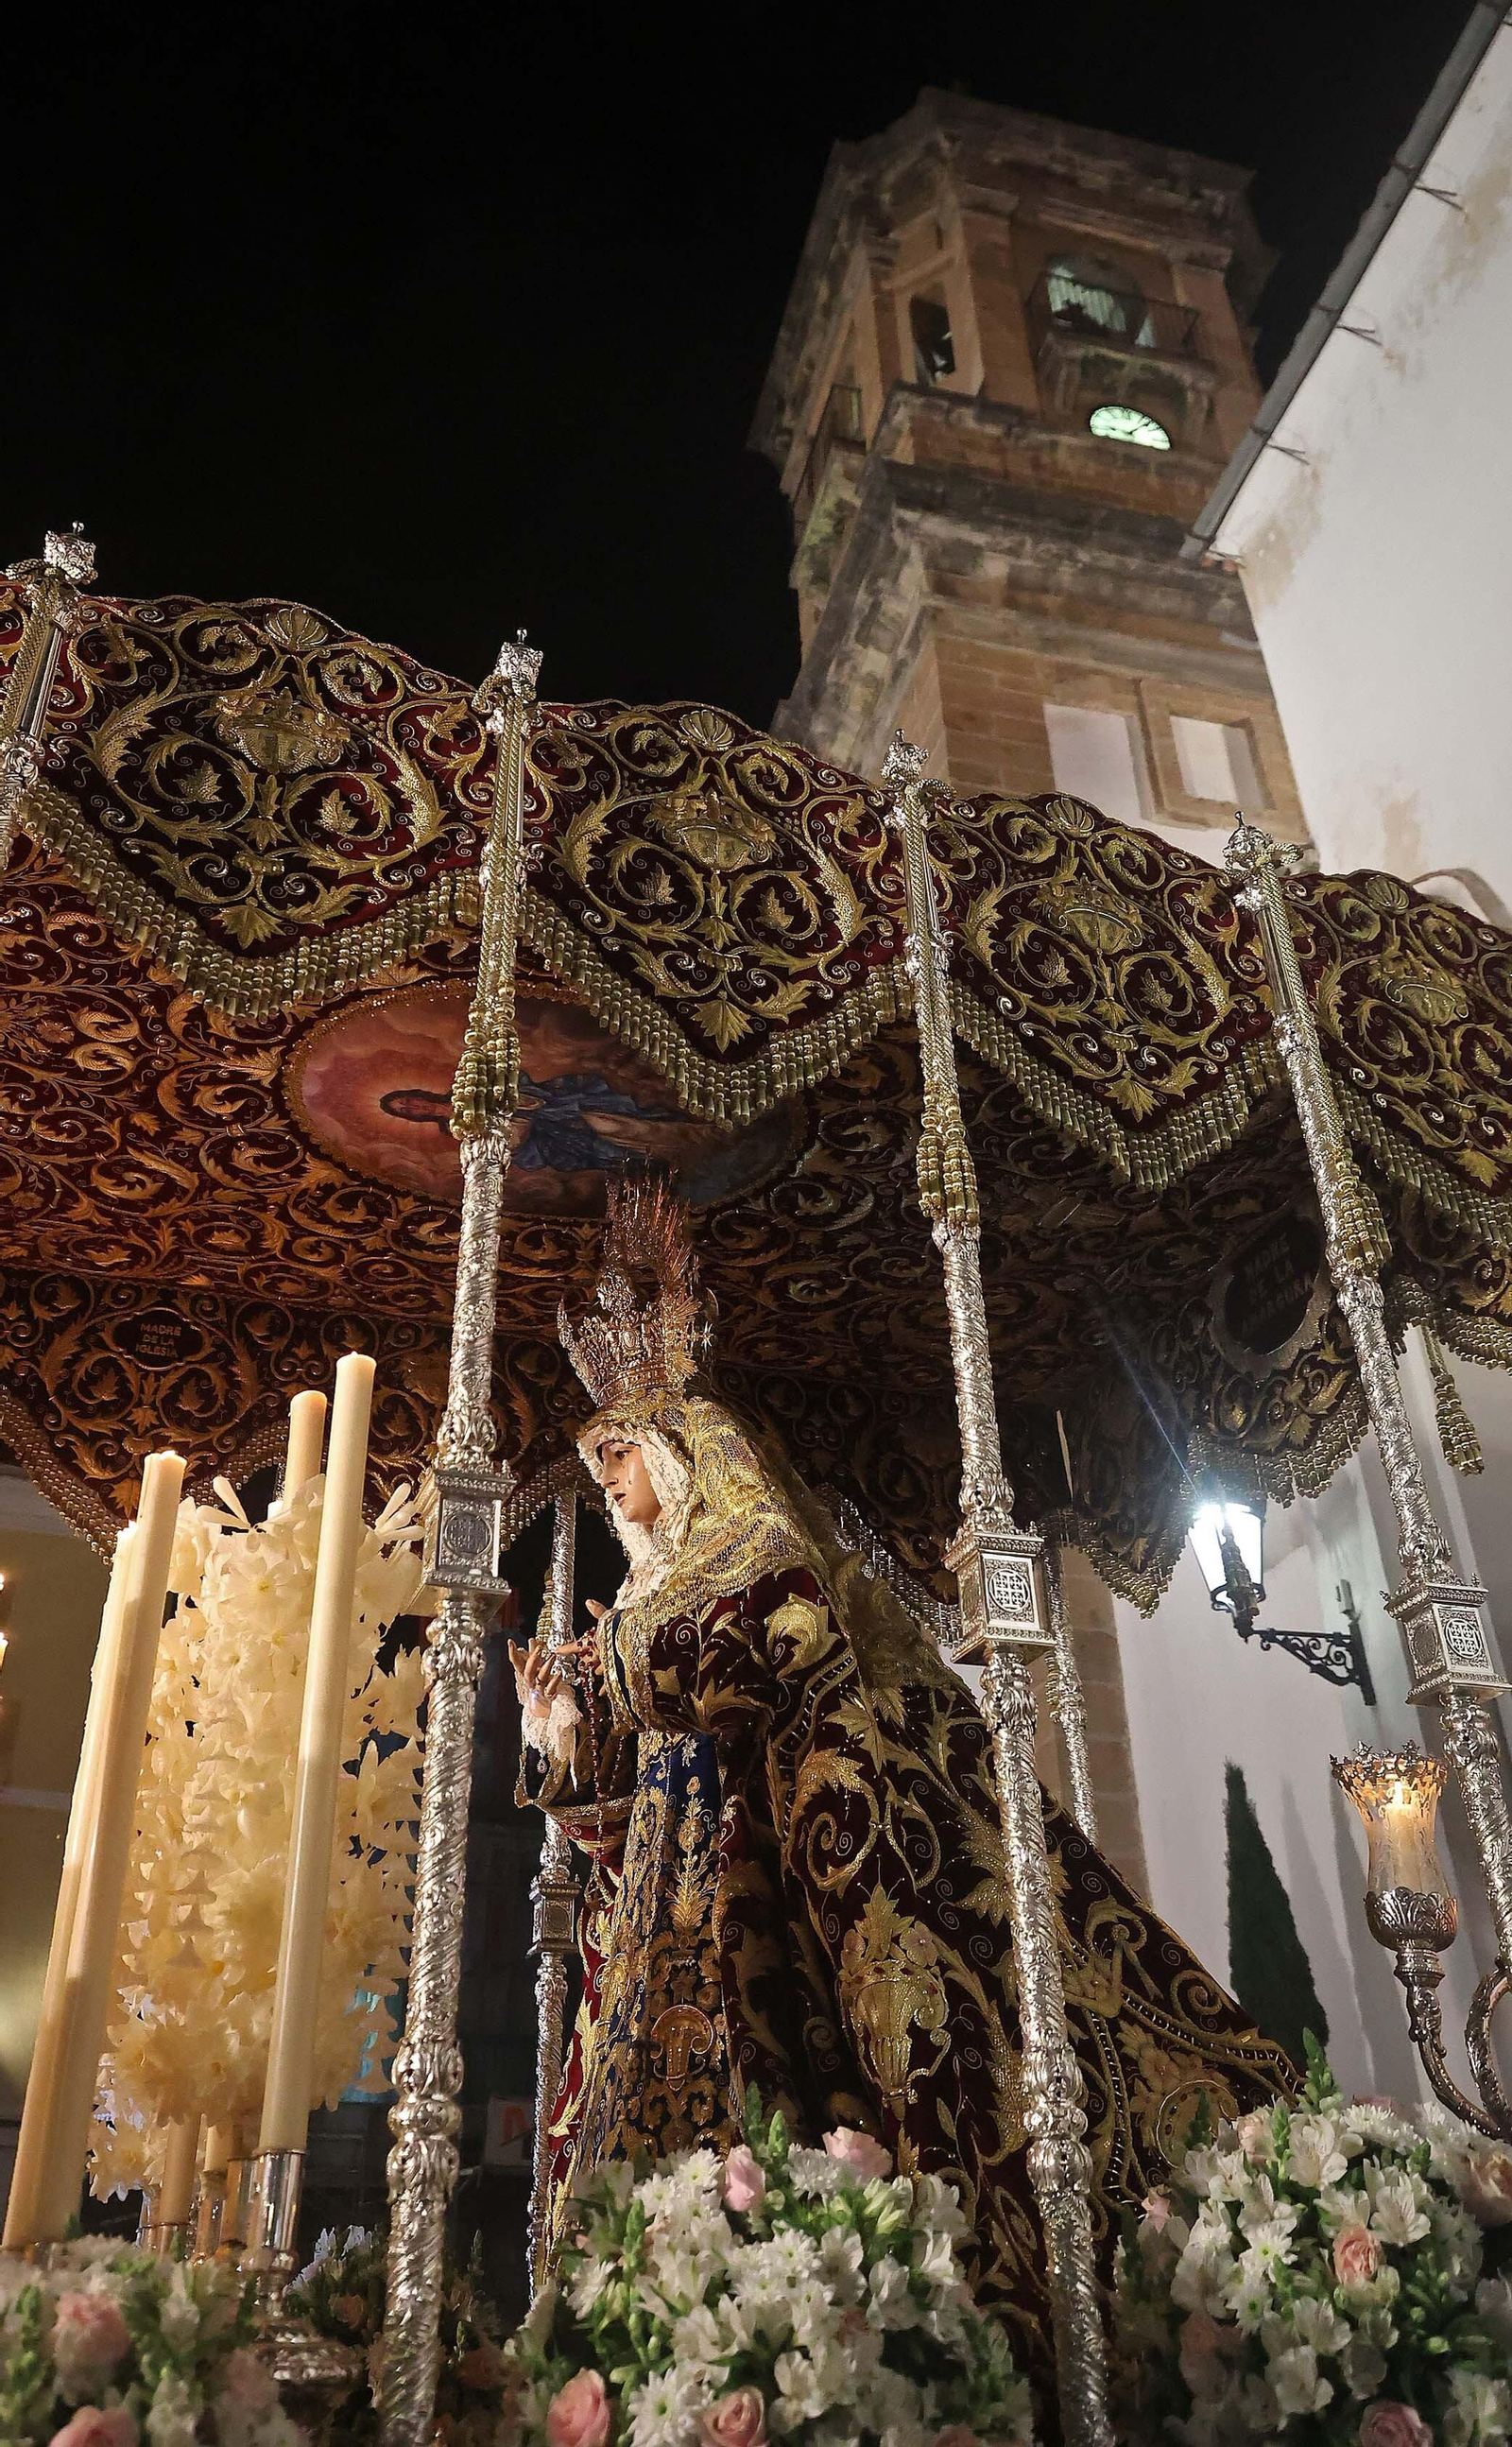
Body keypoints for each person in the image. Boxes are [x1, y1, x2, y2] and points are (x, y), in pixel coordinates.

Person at [513, 1179, 1291, 2369]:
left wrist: (620, 1656)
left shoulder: (743, 1550)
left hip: (796, 1899)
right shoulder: (653, 1611)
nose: (609, 1482)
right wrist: (565, 1739)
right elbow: (627, 1829)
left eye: (621, 1453)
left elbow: (782, 1616)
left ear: (683, 1448)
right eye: (600, 1460)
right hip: (671, 1976)